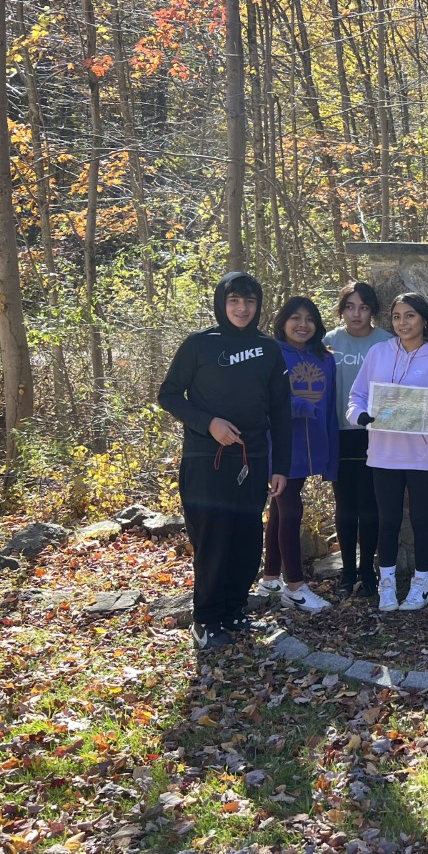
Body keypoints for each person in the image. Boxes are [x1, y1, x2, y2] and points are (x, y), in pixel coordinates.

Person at [158, 272, 290, 650]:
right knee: (213, 540)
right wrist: (208, 423)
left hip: (254, 459)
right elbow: (168, 394)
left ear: (258, 305)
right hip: (206, 459)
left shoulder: (269, 349)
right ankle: (206, 619)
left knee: (248, 538)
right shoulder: (199, 345)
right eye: (234, 300)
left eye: (249, 301)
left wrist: (281, 465)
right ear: (222, 303)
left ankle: (234, 610)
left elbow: (281, 411)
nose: (242, 308)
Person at [347, 292, 428, 612]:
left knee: (421, 519)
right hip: (383, 453)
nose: (402, 322)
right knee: (388, 520)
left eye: (410, 316)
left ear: (423, 320)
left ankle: (421, 584)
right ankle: (388, 584)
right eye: (396, 316)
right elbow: (357, 397)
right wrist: (360, 416)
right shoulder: (378, 353)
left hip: (423, 455)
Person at [256, 297, 338, 613]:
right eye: (295, 318)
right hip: (278, 446)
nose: (302, 324)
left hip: (310, 446)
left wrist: (330, 453)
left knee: (280, 509)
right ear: (283, 321)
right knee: (290, 510)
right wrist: (297, 406)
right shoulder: (270, 354)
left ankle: (270, 578)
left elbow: (329, 407)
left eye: (309, 319)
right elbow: (262, 401)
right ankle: (295, 587)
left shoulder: (325, 358)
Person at [324, 281, 393, 597]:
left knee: (370, 506)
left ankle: (368, 572)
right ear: (341, 310)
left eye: (363, 308)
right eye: (350, 307)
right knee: (345, 506)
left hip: (375, 434)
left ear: (373, 311)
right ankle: (347, 574)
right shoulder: (328, 342)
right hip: (339, 433)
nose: (356, 314)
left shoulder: (386, 342)